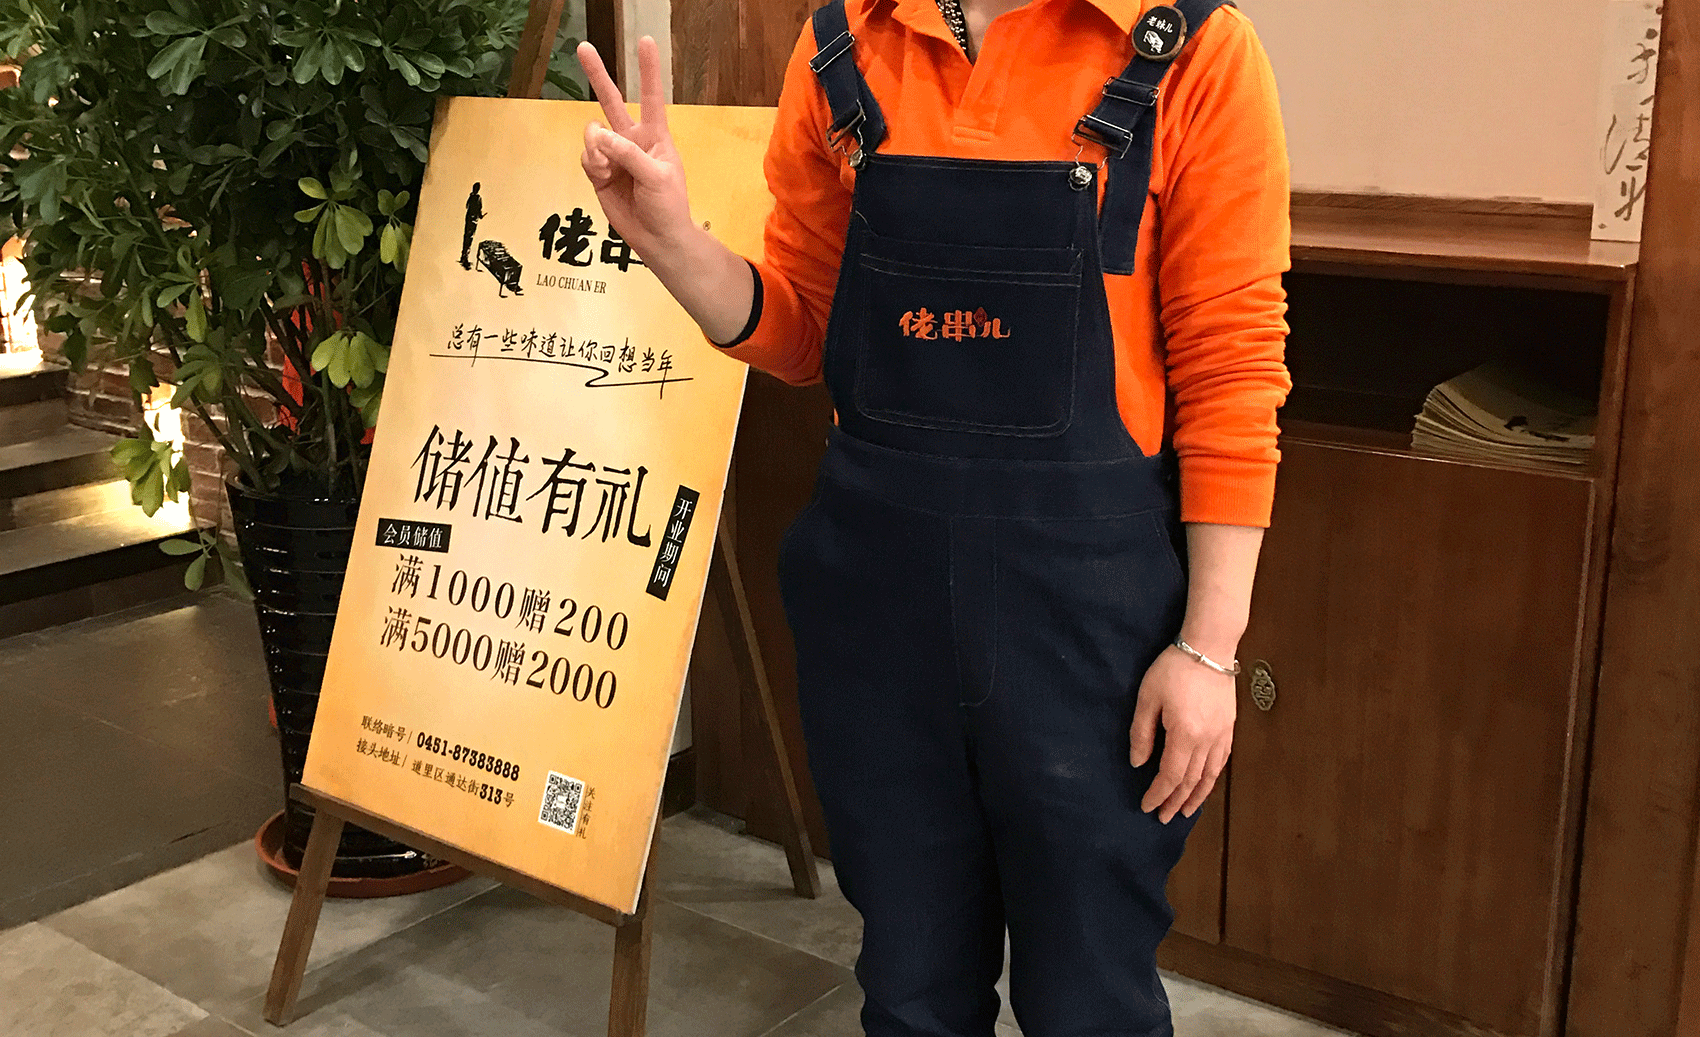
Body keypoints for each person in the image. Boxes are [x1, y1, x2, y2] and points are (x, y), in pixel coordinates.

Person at [577, 0, 1291, 1032]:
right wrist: (673, 244)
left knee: (1089, 996)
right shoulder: (842, 42)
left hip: (1089, 629)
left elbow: (1232, 370)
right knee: (910, 990)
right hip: (877, 613)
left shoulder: (1193, 51)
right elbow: (808, 333)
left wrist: (1209, 647)